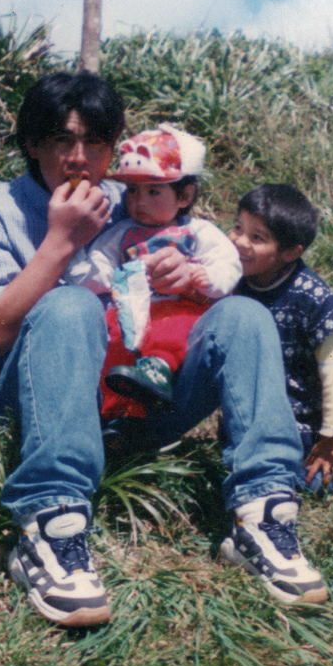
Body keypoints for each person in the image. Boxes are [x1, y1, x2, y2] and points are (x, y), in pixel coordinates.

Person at [0, 71, 328, 627]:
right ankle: (50, 524)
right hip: (32, 403)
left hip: (140, 398)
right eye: (61, 140)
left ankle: (265, 513)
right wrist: (60, 242)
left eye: (96, 143)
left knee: (245, 314)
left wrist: (188, 276)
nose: (79, 158)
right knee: (72, 305)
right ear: (31, 144)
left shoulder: (136, 194)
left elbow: (206, 262)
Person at [63, 124, 241, 445]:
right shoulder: (121, 233)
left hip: (177, 306)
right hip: (132, 307)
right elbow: (98, 268)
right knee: (115, 339)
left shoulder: (197, 232)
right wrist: (80, 259)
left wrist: (207, 279)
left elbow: (227, 262)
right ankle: (120, 416)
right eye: (132, 191)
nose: (139, 202)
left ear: (185, 196)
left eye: (153, 192)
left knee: (175, 326)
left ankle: (159, 368)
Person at [228, 184, 333, 493]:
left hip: (300, 423)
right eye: (238, 228)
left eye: (257, 238)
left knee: (316, 483)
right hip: (247, 411)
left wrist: (331, 436)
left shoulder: (313, 299)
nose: (239, 242)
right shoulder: (231, 279)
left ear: (290, 253)